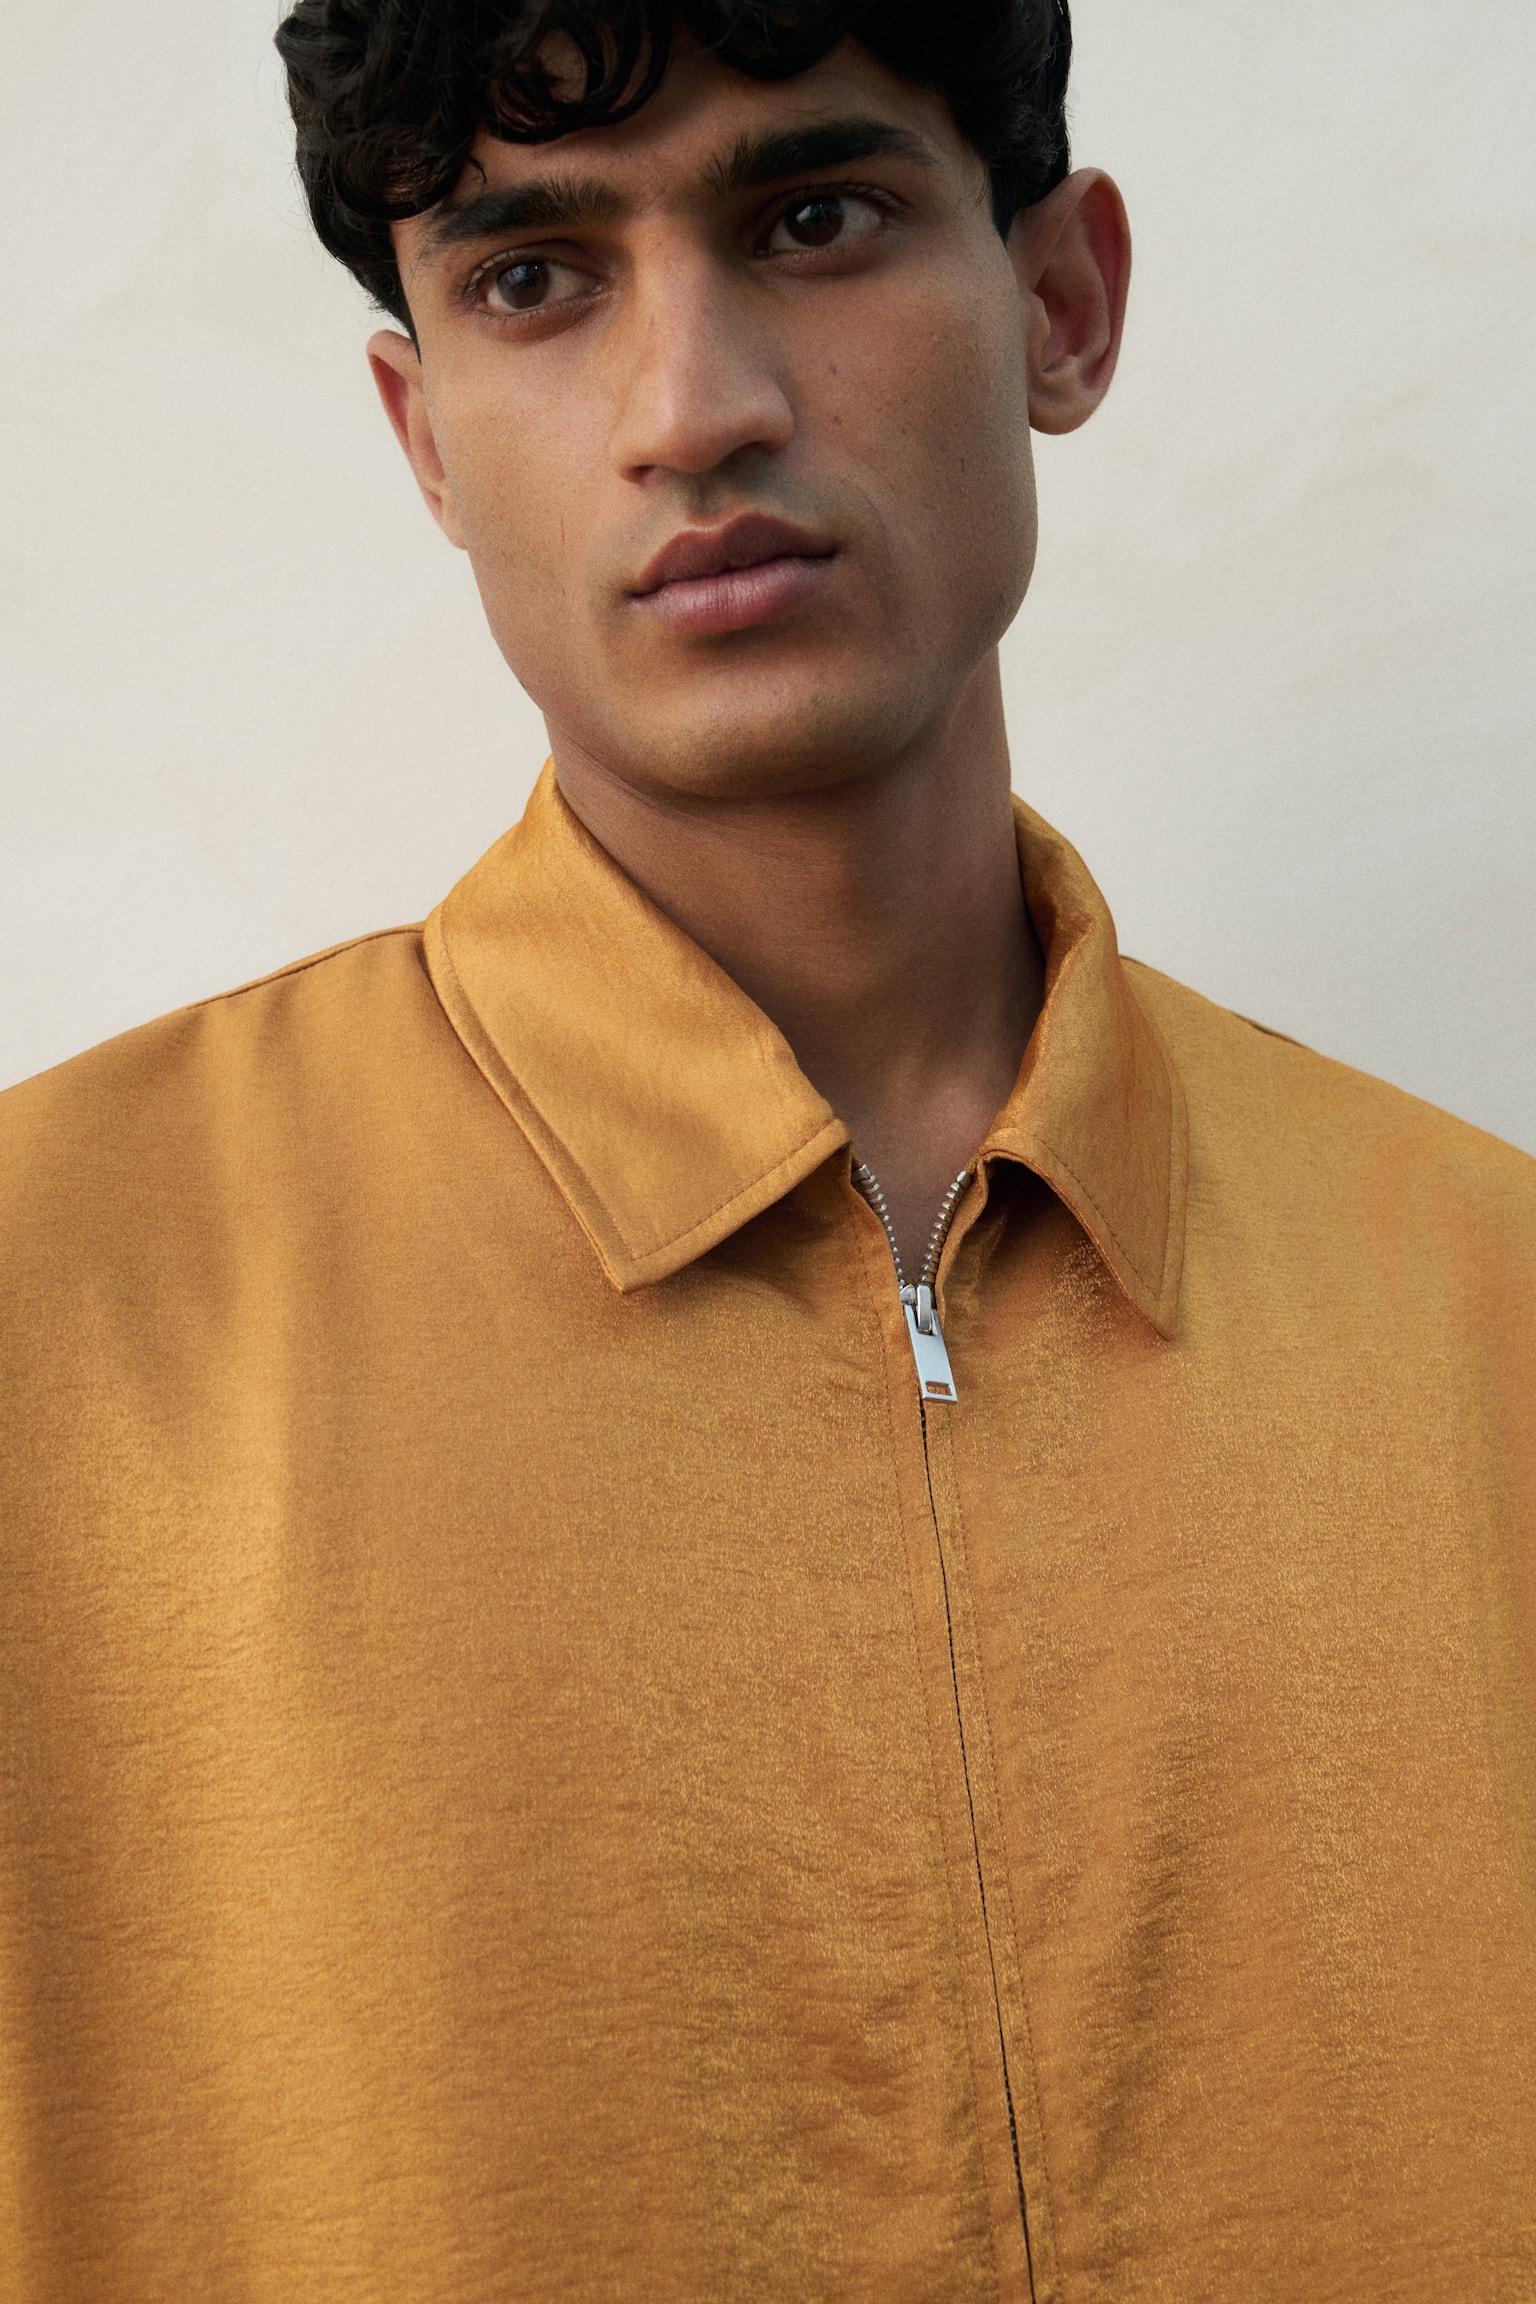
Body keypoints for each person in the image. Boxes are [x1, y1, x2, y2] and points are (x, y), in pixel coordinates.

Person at [1, 0, 1531, 2295]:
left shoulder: (1491, 1307)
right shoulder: (50, 1312)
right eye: (535, 276)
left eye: (812, 218)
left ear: (1062, 303)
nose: (691, 405)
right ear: (425, 436)